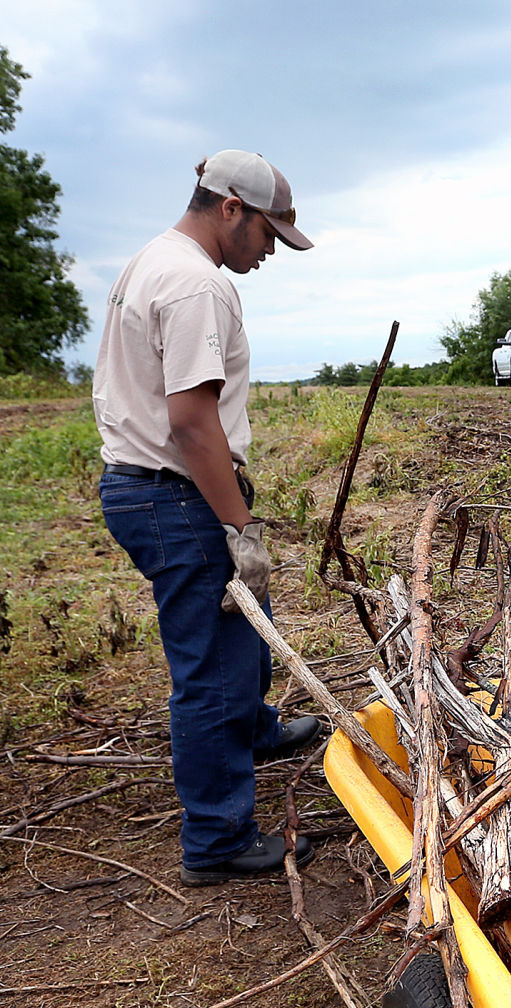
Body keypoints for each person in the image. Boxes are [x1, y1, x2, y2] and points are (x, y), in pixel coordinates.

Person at [93, 150, 320, 887]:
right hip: (174, 491)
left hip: (147, 486)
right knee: (212, 669)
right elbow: (192, 422)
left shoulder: (150, 263)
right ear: (230, 208)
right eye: (266, 235)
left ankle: (254, 731)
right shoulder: (197, 286)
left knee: (245, 624)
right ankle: (219, 837)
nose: (268, 253)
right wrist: (240, 529)